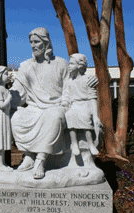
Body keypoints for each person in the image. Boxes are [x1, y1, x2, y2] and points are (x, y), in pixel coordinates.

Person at [10, 28, 97, 179]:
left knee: (53, 117)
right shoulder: (25, 66)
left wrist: (91, 80)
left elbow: (73, 83)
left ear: (46, 43)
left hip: (58, 106)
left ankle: (40, 160)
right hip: (34, 107)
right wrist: (3, 93)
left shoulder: (62, 64)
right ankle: (29, 156)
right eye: (31, 42)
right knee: (16, 117)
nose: (33, 45)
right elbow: (17, 90)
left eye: (36, 42)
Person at [63, 54, 102, 161]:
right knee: (69, 115)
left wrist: (95, 116)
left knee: (85, 117)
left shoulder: (87, 80)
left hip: (85, 104)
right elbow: (66, 94)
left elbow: (92, 98)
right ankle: (74, 143)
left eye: (71, 63)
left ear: (80, 65)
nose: (69, 66)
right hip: (73, 105)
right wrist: (64, 103)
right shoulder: (69, 81)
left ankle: (90, 143)